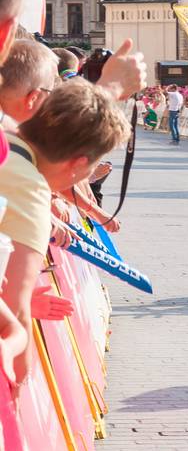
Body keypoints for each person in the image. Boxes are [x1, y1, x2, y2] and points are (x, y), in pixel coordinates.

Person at [0, 79, 131, 386]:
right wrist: (18, 384)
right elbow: (16, 311)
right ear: (79, 164)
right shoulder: (29, 189)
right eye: (92, 169)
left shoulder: (9, 143)